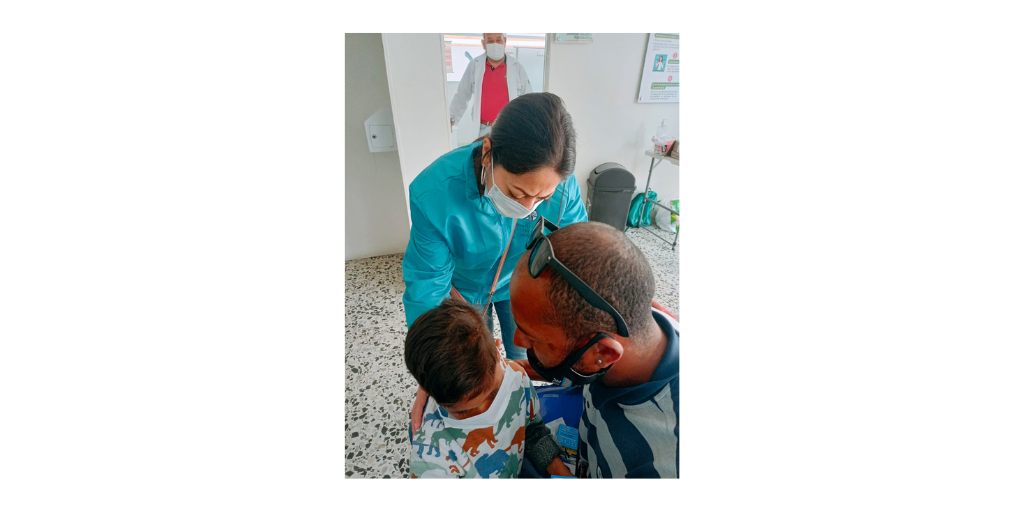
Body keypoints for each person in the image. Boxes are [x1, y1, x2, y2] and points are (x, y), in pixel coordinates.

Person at [403, 91, 588, 364]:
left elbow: (578, 256)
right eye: (516, 194)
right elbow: (427, 286)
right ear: (488, 154)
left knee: (523, 356)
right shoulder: (434, 194)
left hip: (526, 283)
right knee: (475, 360)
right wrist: (432, 363)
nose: (528, 207)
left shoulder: (561, 185)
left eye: (542, 199)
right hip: (466, 290)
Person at [404, 299, 572, 478]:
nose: (485, 411)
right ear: (429, 392)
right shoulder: (430, 457)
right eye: (463, 412)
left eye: (493, 392)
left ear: (497, 349)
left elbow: (533, 431)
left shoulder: (517, 377)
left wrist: (563, 474)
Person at [449, 33, 533, 138]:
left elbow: (528, 99)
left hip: (508, 127)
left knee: (507, 154)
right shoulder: (475, 65)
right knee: (483, 154)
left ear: (505, 41)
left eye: (498, 40)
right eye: (490, 41)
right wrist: (451, 119)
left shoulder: (517, 67)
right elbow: (462, 95)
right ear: (483, 44)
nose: (495, 44)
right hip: (482, 129)